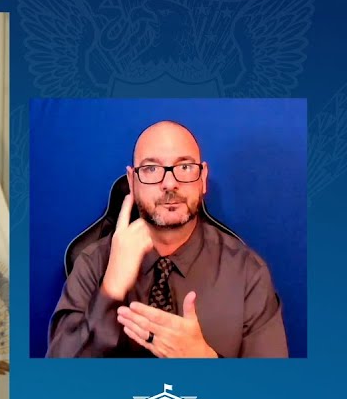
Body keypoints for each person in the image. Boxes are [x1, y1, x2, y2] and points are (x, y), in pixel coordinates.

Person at [47, 120, 287, 358]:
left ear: (203, 178)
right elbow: (54, 385)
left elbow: (272, 391)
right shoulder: (93, 262)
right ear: (132, 181)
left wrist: (205, 362)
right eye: (151, 169)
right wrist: (110, 290)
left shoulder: (248, 273)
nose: (170, 183)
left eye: (184, 167)